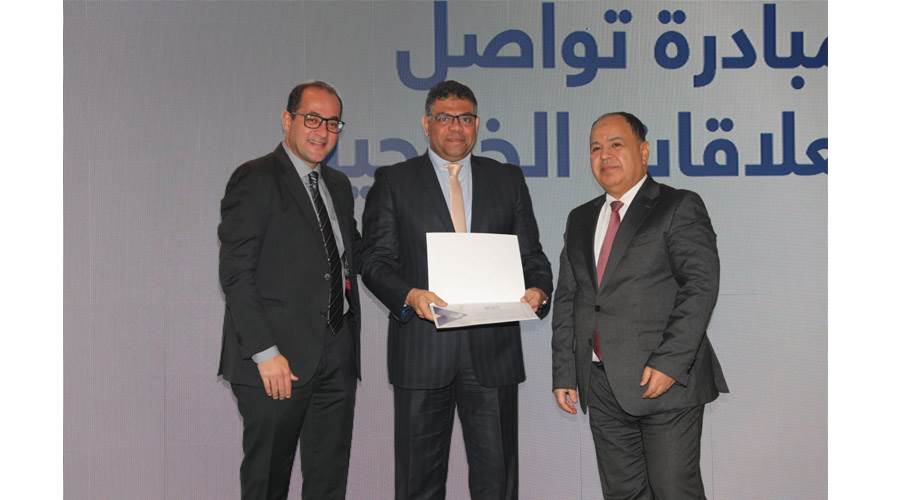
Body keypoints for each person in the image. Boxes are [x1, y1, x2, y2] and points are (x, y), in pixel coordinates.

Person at [360, 80, 553, 500]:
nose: (456, 127)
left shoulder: (507, 179)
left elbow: (532, 256)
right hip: (422, 353)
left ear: (477, 124)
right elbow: (374, 261)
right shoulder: (394, 181)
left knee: (498, 483)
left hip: (493, 355)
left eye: (465, 118)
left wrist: (538, 290)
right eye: (445, 118)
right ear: (426, 124)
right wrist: (410, 295)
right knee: (418, 483)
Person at [551, 112, 729, 499]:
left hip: (664, 382)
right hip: (601, 384)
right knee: (622, 494)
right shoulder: (580, 218)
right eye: (595, 148)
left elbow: (700, 286)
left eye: (616, 145)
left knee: (673, 491)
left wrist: (670, 363)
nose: (605, 155)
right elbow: (569, 297)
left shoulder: (677, 205)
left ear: (643, 151)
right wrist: (565, 371)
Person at [218, 80, 361, 500]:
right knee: (267, 482)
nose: (323, 131)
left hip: (336, 356)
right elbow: (236, 273)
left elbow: (355, 255)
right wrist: (265, 353)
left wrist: (414, 285)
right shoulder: (256, 178)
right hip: (276, 362)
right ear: (287, 119)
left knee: (328, 483)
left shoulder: (338, 185)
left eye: (332, 123)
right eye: (312, 119)